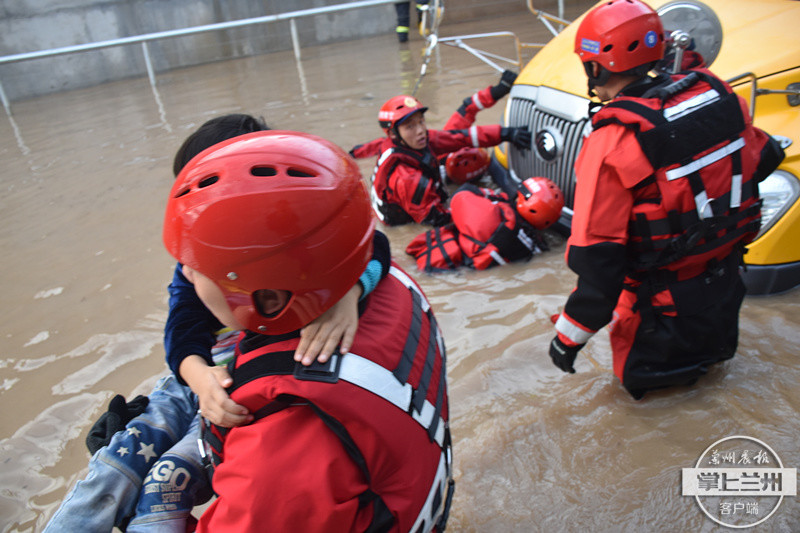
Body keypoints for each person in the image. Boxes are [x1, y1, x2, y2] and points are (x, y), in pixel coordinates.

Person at [44, 115, 392, 532]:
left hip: (239, 375)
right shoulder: (197, 254)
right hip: (200, 372)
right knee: (116, 464)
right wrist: (197, 377)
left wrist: (351, 293)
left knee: (165, 480)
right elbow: (183, 325)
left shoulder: (296, 236)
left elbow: (371, 245)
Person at [163, 129, 452, 531]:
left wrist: (143, 516)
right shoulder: (395, 283)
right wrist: (351, 288)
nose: (185, 270)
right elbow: (370, 244)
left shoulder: (282, 439)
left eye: (197, 263)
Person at [547, 0, 785, 399]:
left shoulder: (613, 141)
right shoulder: (716, 93)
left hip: (657, 319)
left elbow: (597, 262)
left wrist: (567, 340)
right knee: (714, 387)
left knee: (651, 410)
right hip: (725, 293)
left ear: (594, 67)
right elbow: (764, 158)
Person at [350, 70, 531, 226]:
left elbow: (463, 137)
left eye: (421, 122)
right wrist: (483, 201)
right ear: (393, 134)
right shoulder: (408, 179)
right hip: (407, 216)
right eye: (411, 126)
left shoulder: (416, 140)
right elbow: (435, 220)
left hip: (417, 191)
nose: (421, 130)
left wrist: (507, 133)